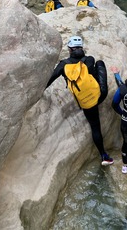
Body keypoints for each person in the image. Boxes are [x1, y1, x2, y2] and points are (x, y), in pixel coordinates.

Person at [46, 36, 113, 166]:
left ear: (70, 50)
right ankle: (104, 155)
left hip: (85, 103)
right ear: (81, 48)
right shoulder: (89, 59)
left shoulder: (63, 65)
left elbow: (49, 80)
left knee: (94, 126)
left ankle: (103, 155)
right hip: (99, 95)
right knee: (100, 63)